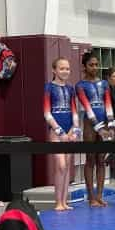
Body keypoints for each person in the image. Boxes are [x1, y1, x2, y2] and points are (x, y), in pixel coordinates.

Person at [76, 52, 115, 207]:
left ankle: (99, 195)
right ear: (84, 66)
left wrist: (110, 124)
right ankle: (91, 197)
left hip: (104, 122)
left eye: (96, 65)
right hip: (90, 124)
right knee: (90, 159)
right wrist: (98, 128)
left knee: (101, 160)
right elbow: (87, 106)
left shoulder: (104, 84)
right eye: (91, 65)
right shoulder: (80, 85)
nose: (94, 68)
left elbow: (108, 104)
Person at [43, 57, 81, 211]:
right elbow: (47, 113)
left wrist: (75, 130)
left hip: (70, 130)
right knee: (60, 165)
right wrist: (59, 131)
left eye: (67, 69)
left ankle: (64, 201)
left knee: (67, 167)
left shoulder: (70, 89)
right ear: (54, 70)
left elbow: (75, 111)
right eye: (62, 68)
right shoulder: (49, 88)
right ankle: (57, 201)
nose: (65, 71)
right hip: (56, 131)